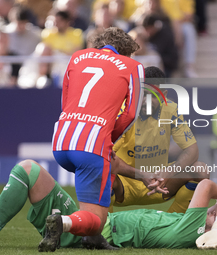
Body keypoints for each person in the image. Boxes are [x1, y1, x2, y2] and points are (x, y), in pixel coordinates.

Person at [0, 160, 217, 250]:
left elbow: (207, 186)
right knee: (29, 171)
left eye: (213, 215)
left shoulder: (192, 229)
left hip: (96, 225)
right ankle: (64, 224)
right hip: (99, 221)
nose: (211, 210)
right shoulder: (184, 226)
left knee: (28, 170)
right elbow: (201, 173)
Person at [46, 27, 144, 252]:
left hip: (62, 140)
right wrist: (110, 137)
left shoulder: (77, 57)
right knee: (95, 220)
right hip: (92, 145)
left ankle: (93, 239)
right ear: (125, 52)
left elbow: (65, 101)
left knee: (102, 183)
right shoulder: (133, 67)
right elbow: (130, 113)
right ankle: (64, 222)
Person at [110, 66, 207, 214]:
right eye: (142, 94)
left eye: (153, 96)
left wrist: (168, 172)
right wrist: (142, 175)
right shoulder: (122, 111)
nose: (146, 101)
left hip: (161, 184)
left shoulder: (171, 110)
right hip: (124, 184)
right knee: (99, 171)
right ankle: (105, 229)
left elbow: (192, 150)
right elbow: (107, 157)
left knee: (200, 170)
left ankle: (173, 226)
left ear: (163, 95)